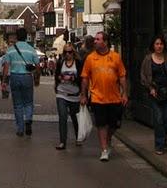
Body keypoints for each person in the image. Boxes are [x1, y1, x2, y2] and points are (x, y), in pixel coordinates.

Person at [80, 31, 128, 162]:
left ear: (105, 42)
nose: (95, 41)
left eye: (98, 39)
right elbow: (85, 78)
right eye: (95, 39)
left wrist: (124, 93)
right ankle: (104, 149)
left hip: (114, 97)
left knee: (113, 124)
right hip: (97, 97)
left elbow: (122, 76)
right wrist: (84, 95)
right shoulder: (90, 58)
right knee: (101, 124)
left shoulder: (116, 57)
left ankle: (108, 139)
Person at [140, 34, 167, 155]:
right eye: (157, 44)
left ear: (164, 45)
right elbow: (143, 76)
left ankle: (163, 140)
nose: (159, 46)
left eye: (161, 44)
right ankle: (159, 145)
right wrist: (150, 88)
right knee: (159, 119)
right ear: (153, 46)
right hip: (155, 93)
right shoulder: (148, 59)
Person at [1, 27, 39, 136]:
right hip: (27, 77)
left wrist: (4, 81)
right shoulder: (31, 49)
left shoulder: (11, 50)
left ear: (16, 36)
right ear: (26, 36)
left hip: (15, 77)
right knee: (28, 102)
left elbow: (6, 67)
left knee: (17, 104)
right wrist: (37, 78)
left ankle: (20, 128)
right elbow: (37, 66)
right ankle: (28, 119)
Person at [54, 43, 83, 150]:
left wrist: (72, 79)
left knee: (75, 117)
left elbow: (82, 78)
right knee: (62, 117)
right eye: (65, 52)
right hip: (61, 93)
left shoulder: (78, 63)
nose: (67, 54)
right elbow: (56, 75)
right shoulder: (61, 62)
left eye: (70, 52)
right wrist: (59, 79)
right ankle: (62, 141)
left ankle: (78, 137)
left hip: (74, 95)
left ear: (73, 52)